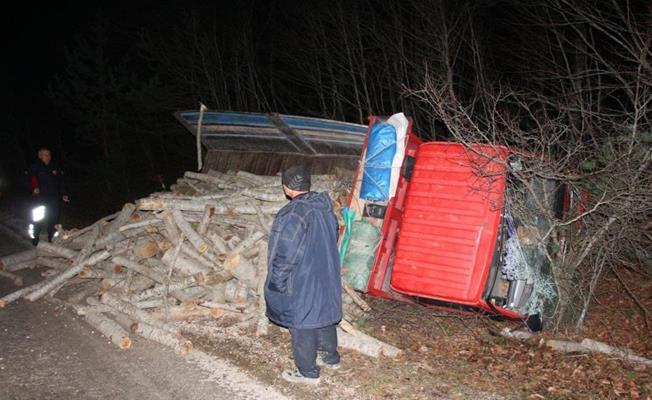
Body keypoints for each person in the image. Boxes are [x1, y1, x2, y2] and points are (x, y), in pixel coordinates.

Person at [264, 164, 342, 385]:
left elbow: (286, 251)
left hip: (303, 277)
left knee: (302, 321)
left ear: (286, 188)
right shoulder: (325, 210)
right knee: (323, 315)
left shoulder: (292, 213)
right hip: (325, 272)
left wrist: (277, 281)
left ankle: (307, 373)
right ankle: (332, 358)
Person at [27, 147, 69, 245]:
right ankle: (35, 238)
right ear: (40, 156)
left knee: (53, 219)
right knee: (38, 219)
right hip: (39, 199)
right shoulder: (35, 167)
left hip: (53, 198)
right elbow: (29, 180)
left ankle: (52, 239)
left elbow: (61, 182)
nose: (48, 156)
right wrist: (33, 188)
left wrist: (64, 194)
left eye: (49, 154)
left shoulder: (55, 167)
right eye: (45, 154)